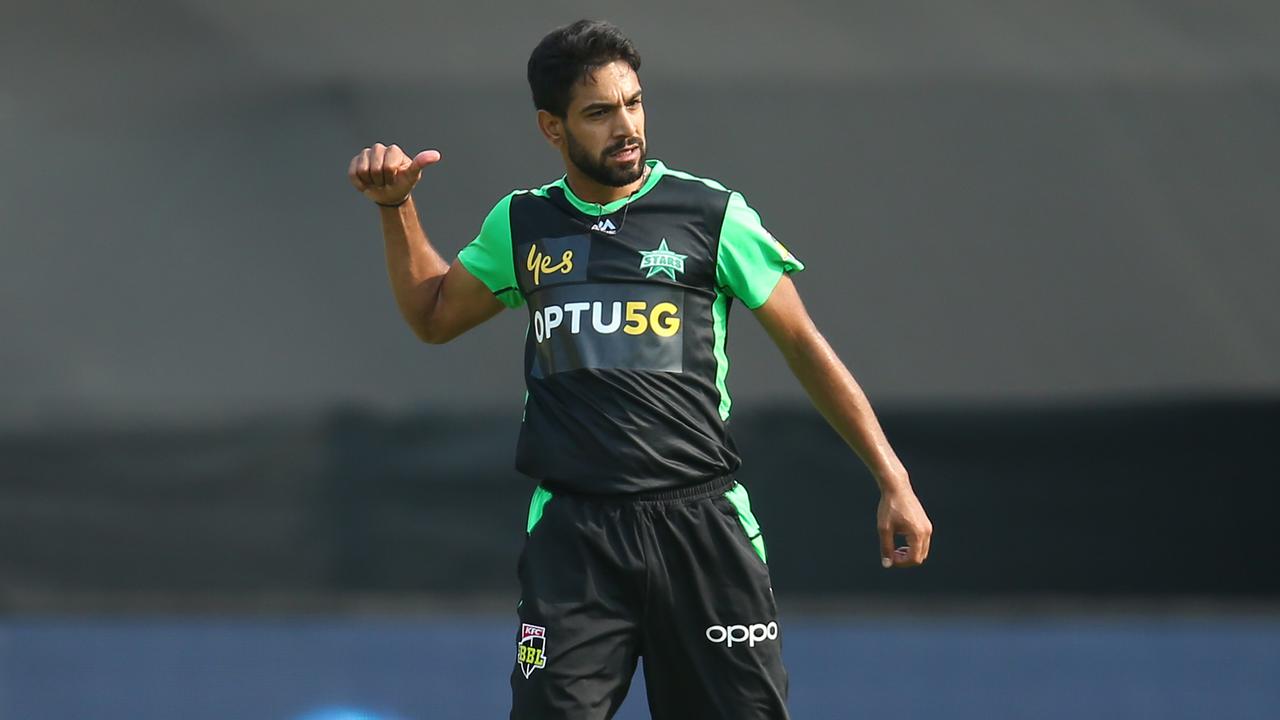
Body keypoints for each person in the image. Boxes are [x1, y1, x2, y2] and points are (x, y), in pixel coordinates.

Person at [346, 18, 932, 720]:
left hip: (702, 527)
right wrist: (396, 205)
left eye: (633, 102)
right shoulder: (523, 224)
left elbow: (804, 343)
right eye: (598, 112)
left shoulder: (711, 214)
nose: (625, 126)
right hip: (575, 538)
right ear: (552, 128)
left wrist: (891, 477)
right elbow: (434, 315)